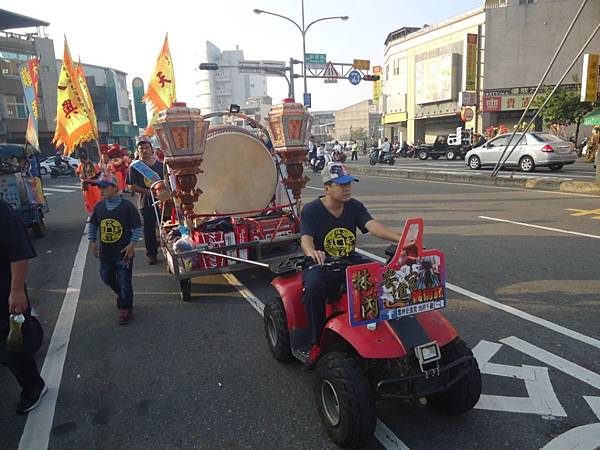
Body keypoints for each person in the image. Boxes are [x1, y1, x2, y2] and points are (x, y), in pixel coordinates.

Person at [300, 162, 402, 370]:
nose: (347, 188)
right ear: (327, 188)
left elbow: (372, 226)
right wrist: (312, 253)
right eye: (341, 184)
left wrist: (401, 239)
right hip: (322, 264)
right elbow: (306, 238)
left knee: (383, 273)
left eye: (349, 183)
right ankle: (316, 343)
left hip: (349, 259)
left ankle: (389, 327)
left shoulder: (354, 206)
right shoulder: (311, 210)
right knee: (313, 289)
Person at [0, 199, 47, 414]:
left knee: (13, 347)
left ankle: (33, 387)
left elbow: (18, 251)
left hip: (5, 291)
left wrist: (17, 290)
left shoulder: (2, 210)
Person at [89, 173, 142, 325]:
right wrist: (93, 242)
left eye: (104, 187)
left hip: (124, 253)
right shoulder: (99, 207)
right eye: (99, 187)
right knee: (106, 277)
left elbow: (137, 227)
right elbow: (93, 225)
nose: (101, 190)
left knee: (125, 281)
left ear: (115, 187)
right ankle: (120, 293)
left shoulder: (127, 207)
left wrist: (132, 245)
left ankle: (126, 307)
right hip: (106, 253)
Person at [126, 136, 164, 265]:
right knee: (149, 229)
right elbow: (131, 185)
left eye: (147, 147)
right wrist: (149, 192)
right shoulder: (135, 167)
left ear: (152, 149)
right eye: (141, 148)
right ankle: (151, 254)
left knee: (166, 225)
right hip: (145, 202)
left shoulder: (160, 165)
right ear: (138, 151)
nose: (144, 150)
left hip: (162, 201)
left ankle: (170, 248)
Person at [76, 149, 101, 216]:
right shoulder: (81, 165)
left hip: (93, 186)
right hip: (86, 187)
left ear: (83, 158)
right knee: (88, 202)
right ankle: (91, 215)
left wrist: (91, 178)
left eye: (80, 159)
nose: (80, 160)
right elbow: (77, 173)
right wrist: (81, 177)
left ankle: (98, 214)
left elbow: (98, 174)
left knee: (97, 200)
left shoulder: (93, 164)